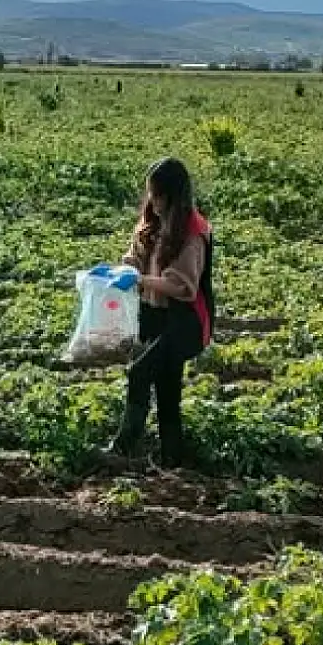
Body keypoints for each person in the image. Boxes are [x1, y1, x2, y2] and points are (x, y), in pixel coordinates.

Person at [108, 157, 216, 467]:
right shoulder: (151, 222)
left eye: (158, 195)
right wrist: (120, 270)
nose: (152, 201)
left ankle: (123, 448)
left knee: (140, 372)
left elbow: (184, 287)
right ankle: (173, 455)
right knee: (167, 387)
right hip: (154, 315)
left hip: (184, 322)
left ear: (173, 195)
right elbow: (135, 257)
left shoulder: (192, 231)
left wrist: (141, 280)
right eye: (150, 194)